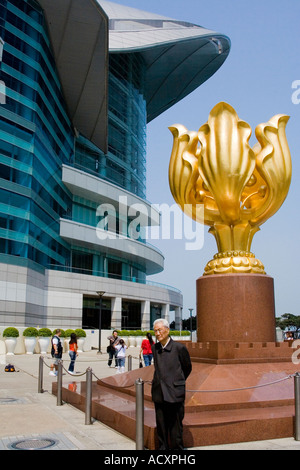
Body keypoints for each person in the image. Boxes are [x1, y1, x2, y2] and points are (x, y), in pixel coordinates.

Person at [151, 318, 192, 450]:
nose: (157, 333)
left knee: (175, 429)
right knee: (161, 428)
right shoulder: (155, 348)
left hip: (175, 393)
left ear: (167, 330)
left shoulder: (179, 348)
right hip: (159, 393)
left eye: (160, 330)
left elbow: (187, 368)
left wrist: (176, 382)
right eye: (155, 331)